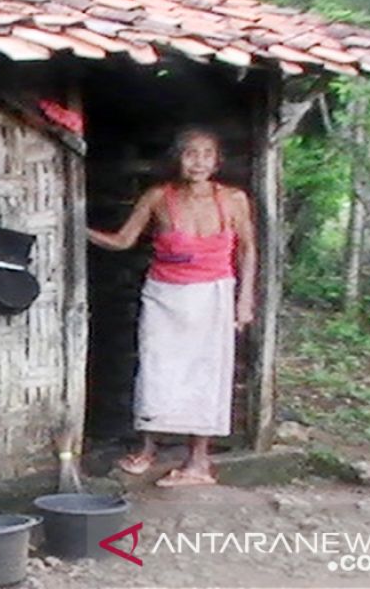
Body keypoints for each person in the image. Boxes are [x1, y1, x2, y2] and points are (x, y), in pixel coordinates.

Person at [88, 127, 256, 487]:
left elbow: (247, 250)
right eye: (190, 153)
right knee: (156, 369)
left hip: (214, 295)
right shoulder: (158, 198)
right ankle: (147, 448)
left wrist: (245, 300)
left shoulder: (234, 199)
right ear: (177, 159)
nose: (198, 162)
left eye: (206, 154)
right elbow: (122, 241)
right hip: (164, 295)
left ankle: (198, 460)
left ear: (217, 161)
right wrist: (74, 227)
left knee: (207, 374)